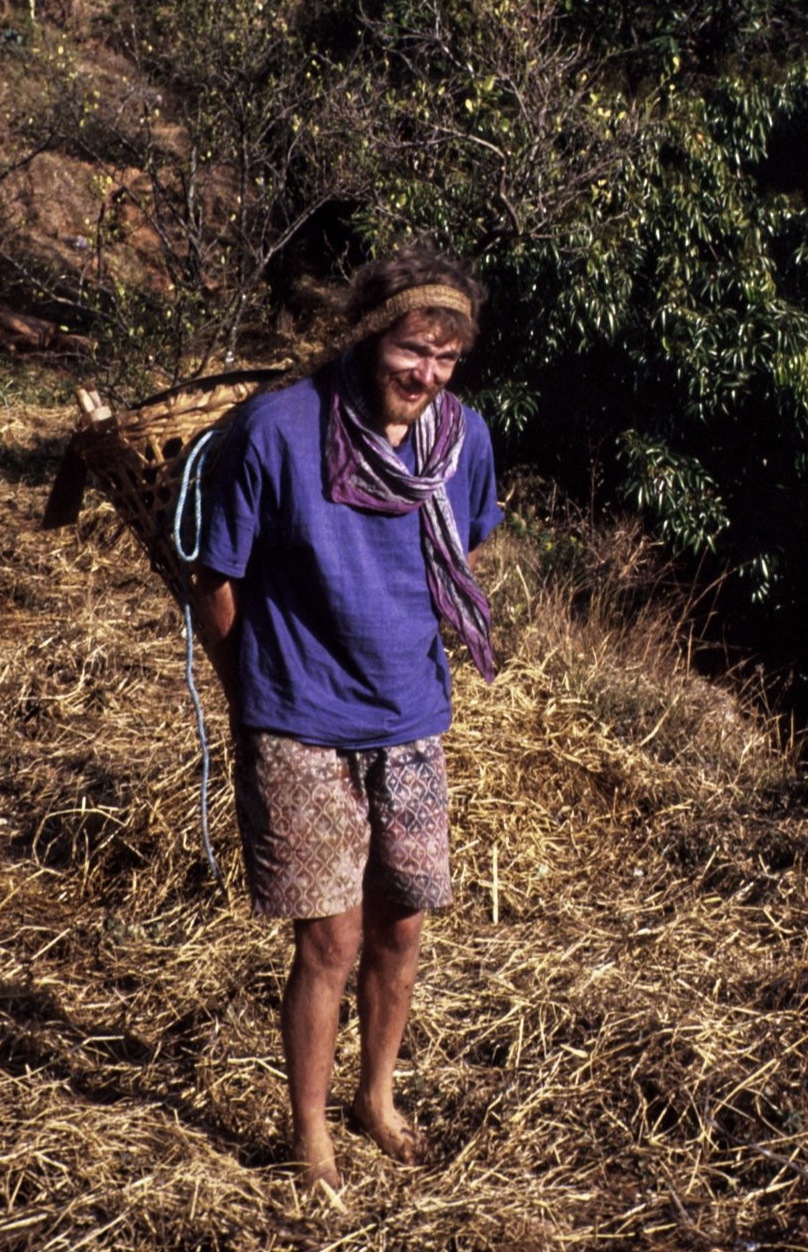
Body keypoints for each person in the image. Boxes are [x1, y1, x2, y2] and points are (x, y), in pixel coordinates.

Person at [192, 248, 502, 1194]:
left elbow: (465, 539)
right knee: (327, 941)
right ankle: (311, 1132)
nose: (427, 375)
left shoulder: (462, 440)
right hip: (299, 722)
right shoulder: (278, 432)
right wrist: (255, 695)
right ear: (373, 338)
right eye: (413, 350)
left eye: (446, 359)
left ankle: (377, 1098)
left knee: (401, 930)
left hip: (409, 716)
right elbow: (215, 577)